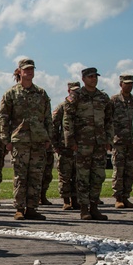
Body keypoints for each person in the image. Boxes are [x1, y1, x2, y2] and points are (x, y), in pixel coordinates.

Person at [0, 58, 53, 221]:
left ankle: (32, 208)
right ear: (19, 71)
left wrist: (48, 137)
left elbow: (47, 117)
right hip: (19, 141)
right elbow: (3, 117)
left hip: (38, 140)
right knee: (20, 176)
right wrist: (5, 139)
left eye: (32, 69)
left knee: (36, 176)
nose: (29, 72)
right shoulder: (11, 93)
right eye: (26, 69)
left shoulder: (41, 93)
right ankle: (19, 208)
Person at [63, 68, 113, 221]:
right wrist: (70, 140)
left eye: (95, 77)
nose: (94, 79)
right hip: (82, 143)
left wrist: (108, 140)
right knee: (83, 177)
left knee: (98, 176)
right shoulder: (76, 97)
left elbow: (109, 120)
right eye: (90, 77)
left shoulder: (103, 98)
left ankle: (94, 207)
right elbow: (68, 119)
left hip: (99, 144)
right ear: (83, 79)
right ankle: (84, 208)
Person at [110, 74, 133, 209]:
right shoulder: (114, 100)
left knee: (131, 171)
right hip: (119, 141)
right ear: (120, 84)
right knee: (119, 171)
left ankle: (126, 197)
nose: (129, 85)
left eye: (131, 83)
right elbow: (108, 120)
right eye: (126, 83)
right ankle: (118, 198)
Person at [52, 82, 80, 210]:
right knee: (65, 175)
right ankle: (66, 200)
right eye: (74, 91)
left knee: (78, 175)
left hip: (80, 146)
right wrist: (55, 144)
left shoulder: (82, 106)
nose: (76, 93)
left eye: (78, 91)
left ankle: (76, 199)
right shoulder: (62, 107)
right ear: (69, 91)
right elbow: (54, 126)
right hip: (65, 147)